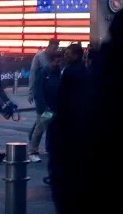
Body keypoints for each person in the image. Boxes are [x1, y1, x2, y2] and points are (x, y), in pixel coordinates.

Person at [48, 43, 91, 211]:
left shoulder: (70, 72)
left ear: (75, 55)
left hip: (68, 117)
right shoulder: (84, 70)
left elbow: (63, 95)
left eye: (67, 53)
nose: (64, 55)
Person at [28, 49, 62, 163]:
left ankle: (50, 148)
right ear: (51, 61)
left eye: (59, 61)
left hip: (54, 106)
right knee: (40, 129)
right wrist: (43, 106)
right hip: (45, 107)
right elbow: (38, 91)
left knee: (53, 129)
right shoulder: (43, 72)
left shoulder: (58, 72)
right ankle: (33, 151)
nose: (58, 64)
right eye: (56, 61)